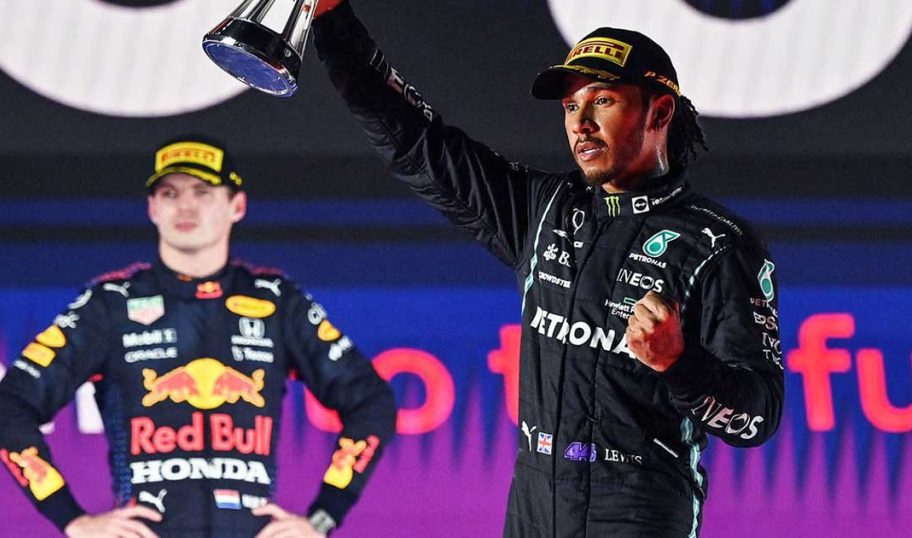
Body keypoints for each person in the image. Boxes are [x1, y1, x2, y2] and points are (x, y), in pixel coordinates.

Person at [310, 2, 783, 536]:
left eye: (602, 100)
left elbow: (757, 419)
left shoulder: (720, 244)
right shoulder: (546, 210)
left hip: (640, 515)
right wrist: (331, 20)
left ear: (660, 112)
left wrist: (679, 362)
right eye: (570, 106)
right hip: (533, 513)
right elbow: (415, 142)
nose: (581, 124)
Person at [0, 135, 397, 537]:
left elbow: (371, 402)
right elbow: (7, 409)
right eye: (170, 193)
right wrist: (72, 518)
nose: (185, 206)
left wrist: (322, 518)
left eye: (203, 192)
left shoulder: (276, 301)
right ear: (152, 208)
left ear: (237, 206)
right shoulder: (111, 304)